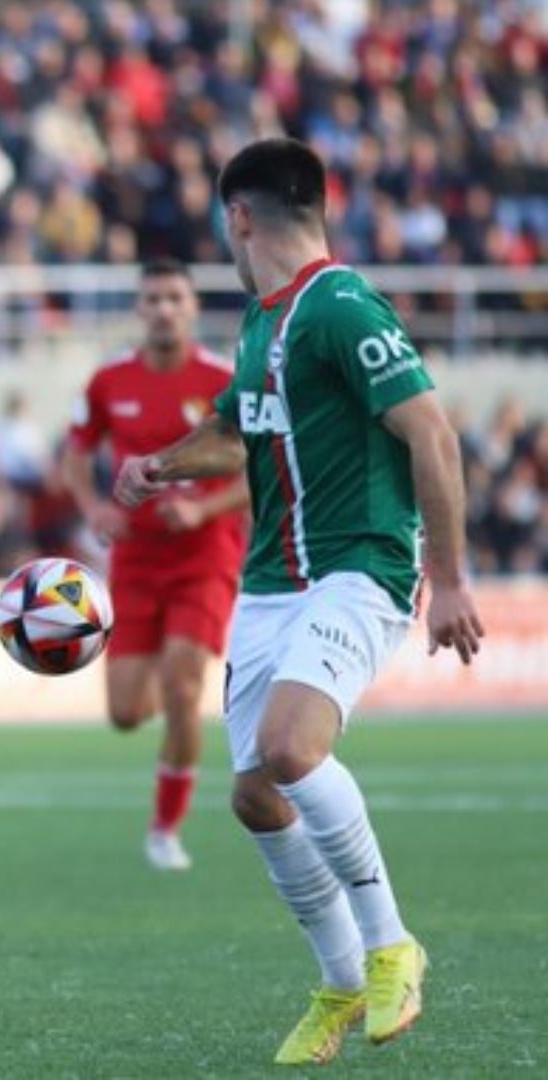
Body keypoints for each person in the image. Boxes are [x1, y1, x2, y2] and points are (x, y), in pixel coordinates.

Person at [115, 138, 482, 1066]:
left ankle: (393, 942)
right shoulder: (259, 320)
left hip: (359, 564)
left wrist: (451, 578)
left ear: (240, 218)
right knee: (253, 795)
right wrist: (161, 465)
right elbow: (236, 429)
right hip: (274, 580)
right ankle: (343, 979)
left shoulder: (339, 305)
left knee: (289, 748)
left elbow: (431, 433)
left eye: (224, 224)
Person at [62, 259, 249, 871]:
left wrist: (205, 511)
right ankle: (174, 722)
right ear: (139, 310)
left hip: (205, 556)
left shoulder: (223, 379)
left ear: (192, 307)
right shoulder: (109, 381)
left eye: (175, 297)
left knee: (183, 682)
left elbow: (259, 467)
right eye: (153, 299)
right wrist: (92, 506)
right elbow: (77, 450)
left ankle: (166, 827)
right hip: (135, 561)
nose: (165, 308)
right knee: (122, 713)